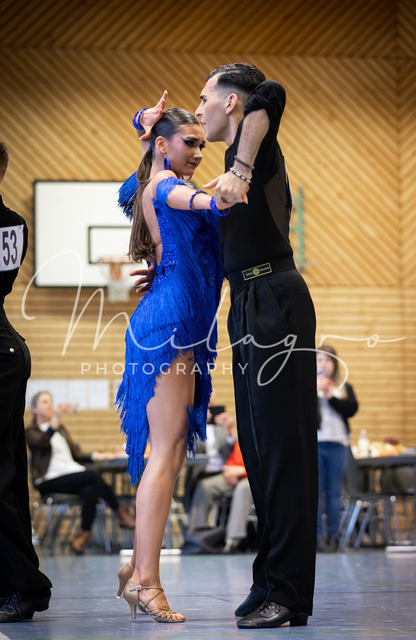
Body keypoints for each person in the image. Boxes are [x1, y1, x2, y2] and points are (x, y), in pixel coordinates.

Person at [133, 63, 319, 629]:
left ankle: (288, 591)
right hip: (246, 300)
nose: (200, 108)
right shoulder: (228, 160)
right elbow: (157, 196)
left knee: (284, 448)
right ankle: (269, 581)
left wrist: (239, 169)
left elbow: (272, 91)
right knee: (259, 450)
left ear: (232, 103)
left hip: (274, 297)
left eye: (204, 97)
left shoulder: (253, 147)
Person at [115, 103, 231, 623]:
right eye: (190, 142)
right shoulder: (166, 185)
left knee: (173, 452)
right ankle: (148, 582)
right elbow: (190, 199)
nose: (200, 152)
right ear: (165, 145)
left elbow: (135, 193)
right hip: (170, 324)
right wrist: (221, 193)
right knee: (165, 453)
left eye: (203, 143)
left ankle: (138, 568)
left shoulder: (157, 178)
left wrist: (145, 135)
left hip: (183, 323)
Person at [0, 138, 52, 623]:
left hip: (2, 356)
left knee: (2, 473)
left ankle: (27, 585)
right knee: (9, 472)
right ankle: (17, 583)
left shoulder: (10, 224)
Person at [26, 391, 136, 554]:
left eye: (50, 401)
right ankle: (121, 512)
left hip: (68, 474)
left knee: (90, 490)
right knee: (92, 475)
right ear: (34, 409)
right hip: (47, 480)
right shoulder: (32, 432)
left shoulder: (60, 429)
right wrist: (56, 418)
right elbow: (43, 442)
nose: (49, 405)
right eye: (44, 402)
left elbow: (76, 455)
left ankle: (83, 536)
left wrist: (97, 456)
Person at [316, 345, 359, 552]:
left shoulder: (343, 386)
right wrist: (315, 390)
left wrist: (330, 396)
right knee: (316, 493)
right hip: (316, 443)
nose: (323, 364)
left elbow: (351, 409)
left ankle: (334, 536)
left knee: (334, 492)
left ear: (334, 363)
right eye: (319, 360)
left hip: (338, 443)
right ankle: (317, 537)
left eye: (327, 360)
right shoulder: (307, 387)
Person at [188, 440, 254, 553]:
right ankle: (195, 536)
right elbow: (232, 459)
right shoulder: (241, 438)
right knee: (205, 486)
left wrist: (243, 471)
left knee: (243, 488)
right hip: (233, 474)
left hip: (252, 477)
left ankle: (232, 541)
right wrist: (228, 471)